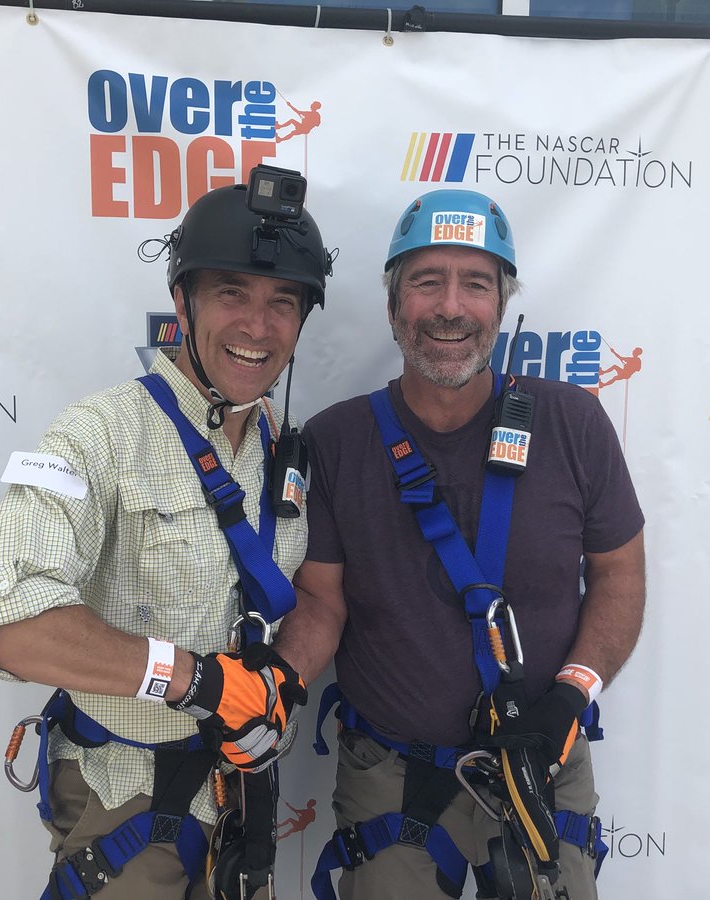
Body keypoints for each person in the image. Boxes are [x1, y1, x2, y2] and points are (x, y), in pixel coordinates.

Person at [0, 172, 333, 900]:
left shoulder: (284, 448)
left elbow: (317, 595)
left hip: (242, 801)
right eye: (232, 294)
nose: (258, 326)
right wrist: (196, 680)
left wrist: (283, 677)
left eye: (282, 302)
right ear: (182, 302)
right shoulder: (99, 434)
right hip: (126, 803)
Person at [274, 189, 645, 900]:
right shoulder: (336, 442)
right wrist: (272, 686)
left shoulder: (572, 424)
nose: (451, 306)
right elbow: (320, 602)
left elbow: (620, 576)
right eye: (426, 282)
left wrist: (575, 693)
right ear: (392, 307)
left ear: (501, 306)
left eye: (475, 283)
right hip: (393, 771)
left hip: (544, 758)